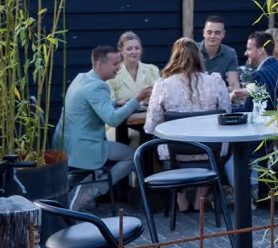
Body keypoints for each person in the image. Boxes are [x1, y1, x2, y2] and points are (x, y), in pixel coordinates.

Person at [143, 38, 237, 212]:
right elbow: (226, 113)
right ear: (198, 57)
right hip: (210, 150)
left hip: (175, 152)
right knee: (216, 149)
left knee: (161, 143)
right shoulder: (214, 82)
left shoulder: (163, 85)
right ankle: (201, 195)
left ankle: (180, 196)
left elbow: (150, 126)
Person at [54, 46, 152, 209]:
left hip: (66, 143)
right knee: (135, 156)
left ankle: (87, 187)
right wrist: (137, 99)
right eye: (115, 64)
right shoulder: (98, 87)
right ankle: (92, 191)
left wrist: (115, 102)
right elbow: (112, 120)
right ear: (100, 65)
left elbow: (90, 104)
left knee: (130, 154)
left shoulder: (82, 78)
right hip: (84, 147)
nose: (119, 67)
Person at [107, 32, 159, 142]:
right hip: (120, 127)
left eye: (137, 48)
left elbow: (158, 99)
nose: (134, 52)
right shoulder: (112, 74)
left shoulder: (152, 70)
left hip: (147, 123)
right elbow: (110, 105)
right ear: (121, 51)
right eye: (129, 49)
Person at [244, 30, 278, 110]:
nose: (246, 53)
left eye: (249, 49)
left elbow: (249, 110)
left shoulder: (257, 76)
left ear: (260, 51)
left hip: (269, 121)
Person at [199, 15, 241, 95]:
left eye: (217, 33)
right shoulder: (192, 51)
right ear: (204, 33)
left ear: (223, 34)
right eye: (209, 32)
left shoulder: (230, 53)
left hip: (219, 98)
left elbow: (233, 84)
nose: (212, 36)